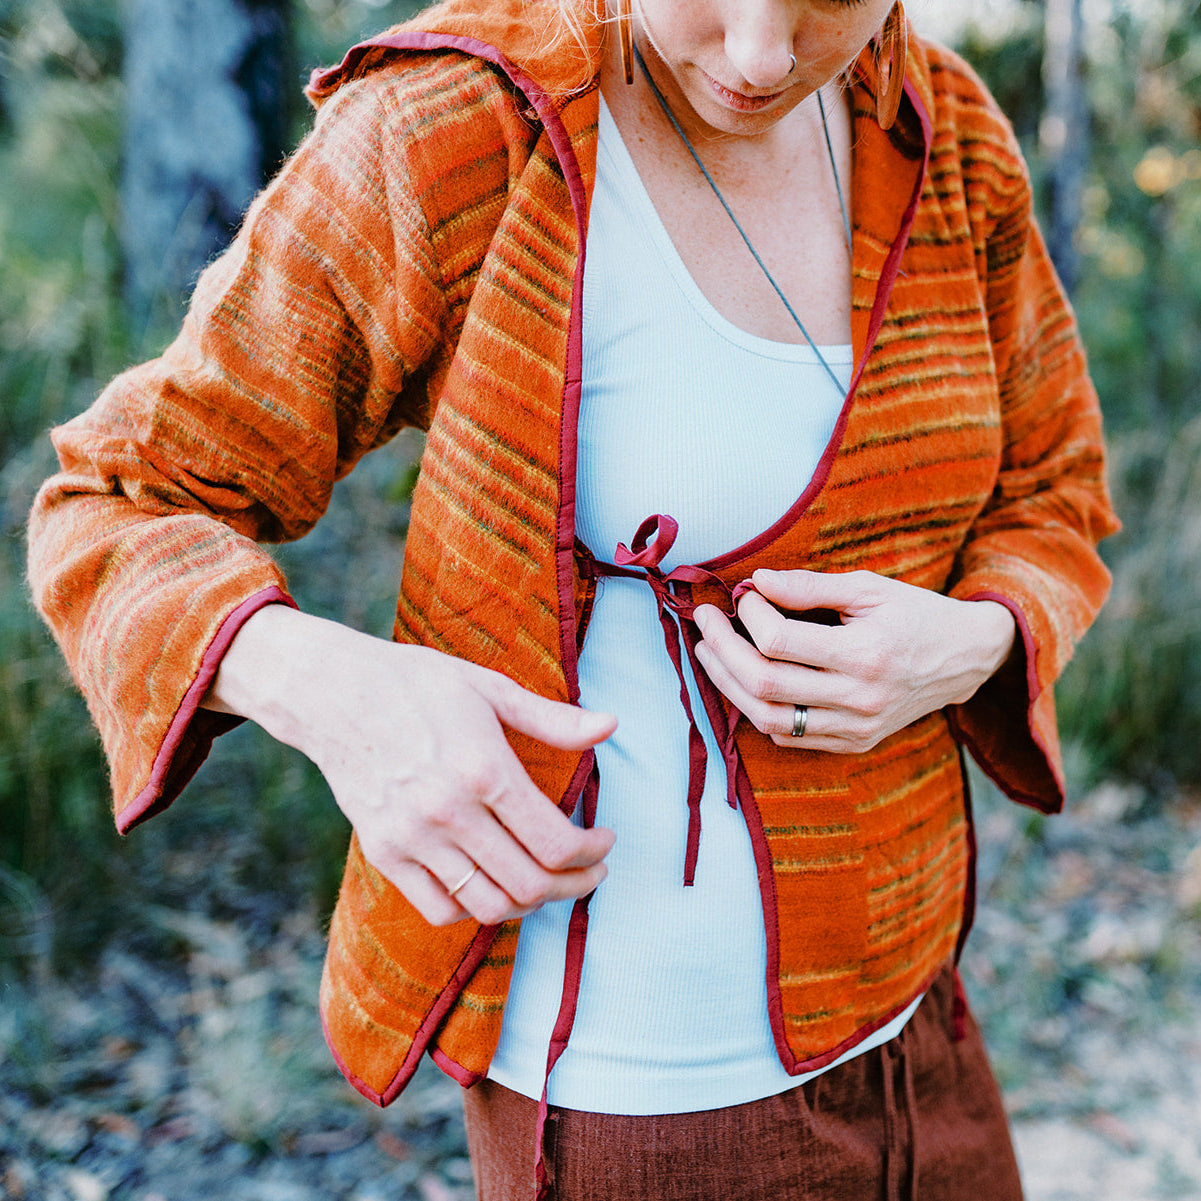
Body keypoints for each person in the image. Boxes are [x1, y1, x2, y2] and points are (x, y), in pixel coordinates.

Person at [27, 0, 1119, 1196]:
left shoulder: (944, 131)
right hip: (643, 1101)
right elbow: (115, 504)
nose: (759, 56)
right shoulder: (457, 131)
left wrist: (969, 643)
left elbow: (1055, 487)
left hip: (927, 1031)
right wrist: (333, 693)